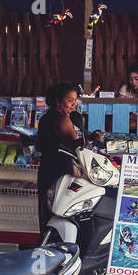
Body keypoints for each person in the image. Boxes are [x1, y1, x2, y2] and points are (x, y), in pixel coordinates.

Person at [36, 83, 87, 230]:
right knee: (62, 210)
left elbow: (39, 146)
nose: (74, 104)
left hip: (46, 169)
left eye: (75, 100)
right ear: (58, 101)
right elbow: (75, 145)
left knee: (47, 211)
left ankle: (46, 244)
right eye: (70, 100)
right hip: (60, 170)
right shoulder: (63, 119)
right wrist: (91, 138)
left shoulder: (45, 118)